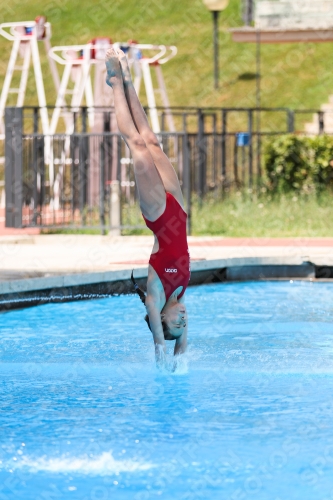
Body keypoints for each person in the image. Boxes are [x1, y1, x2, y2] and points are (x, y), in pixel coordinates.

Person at [105, 47, 190, 367]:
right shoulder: (180, 294)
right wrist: (180, 348)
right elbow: (181, 342)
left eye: (176, 322)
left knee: (137, 145)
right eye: (184, 323)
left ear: (161, 318)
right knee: (152, 141)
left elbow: (160, 340)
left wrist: (163, 356)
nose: (183, 318)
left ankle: (114, 83)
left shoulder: (155, 297)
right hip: (178, 211)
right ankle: (127, 79)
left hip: (157, 214)